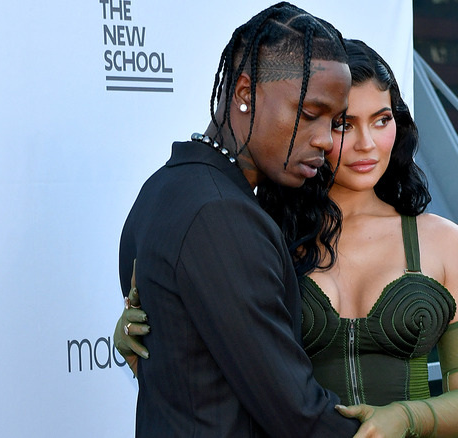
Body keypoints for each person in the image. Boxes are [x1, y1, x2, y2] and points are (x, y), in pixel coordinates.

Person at [118, 38, 458, 437]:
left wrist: (405, 417)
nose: (367, 144)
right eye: (345, 124)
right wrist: (146, 336)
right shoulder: (264, 232)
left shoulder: (443, 241)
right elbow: (216, 366)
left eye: (382, 120)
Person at [114, 3, 365, 437]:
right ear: (245, 93)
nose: (326, 140)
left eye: (335, 121)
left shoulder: (164, 187)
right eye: (309, 114)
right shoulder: (220, 216)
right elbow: (297, 414)